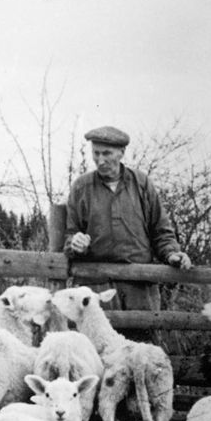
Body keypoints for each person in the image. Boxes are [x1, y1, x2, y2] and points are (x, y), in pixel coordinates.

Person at [63, 125, 191, 327]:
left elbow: (161, 231)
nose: (100, 160)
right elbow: (70, 234)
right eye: (96, 153)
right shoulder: (81, 187)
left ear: (121, 153)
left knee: (141, 349)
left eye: (107, 153)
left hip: (139, 286)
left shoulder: (141, 184)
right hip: (96, 286)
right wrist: (75, 243)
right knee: (98, 349)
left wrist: (172, 254)